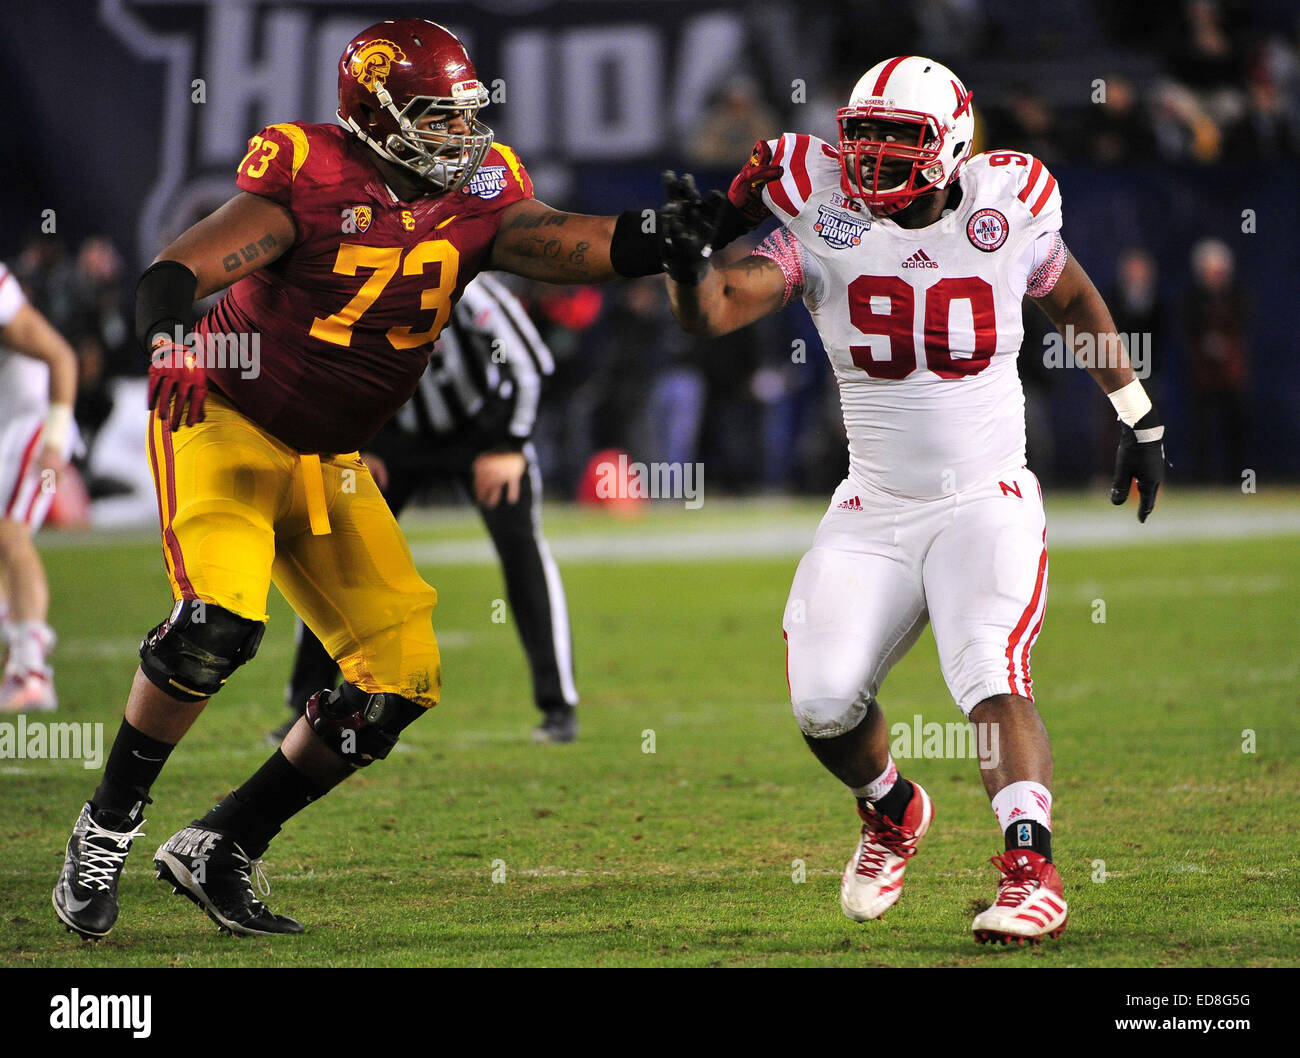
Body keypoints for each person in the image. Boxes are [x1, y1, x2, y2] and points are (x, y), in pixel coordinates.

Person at [51, 18, 744, 941]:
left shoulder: (484, 196)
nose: (460, 133)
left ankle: (223, 844)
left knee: (398, 680)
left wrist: (666, 237)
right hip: (223, 424)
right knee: (214, 628)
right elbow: (174, 269)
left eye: (464, 113)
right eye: (434, 115)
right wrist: (172, 338)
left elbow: (574, 243)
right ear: (373, 114)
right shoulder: (309, 169)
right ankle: (105, 830)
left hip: (330, 463)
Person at [661, 55, 1166, 945]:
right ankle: (891, 809)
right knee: (822, 703)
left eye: (898, 143)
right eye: (861, 140)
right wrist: (686, 262)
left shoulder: (1006, 206)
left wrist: (1138, 414)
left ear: (954, 144)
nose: (870, 163)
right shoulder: (823, 218)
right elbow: (719, 308)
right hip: (876, 505)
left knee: (988, 670)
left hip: (986, 497)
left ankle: (1030, 874)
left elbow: (1077, 301)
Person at [276, 272, 579, 745]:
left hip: (481, 434)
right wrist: (357, 442)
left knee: (523, 552)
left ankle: (558, 706)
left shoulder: (470, 288)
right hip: (394, 439)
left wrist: (510, 444)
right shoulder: (363, 289)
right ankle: (304, 704)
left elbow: (529, 362)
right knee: (331, 555)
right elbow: (331, 372)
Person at [0, 261, 78, 712]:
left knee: (11, 534)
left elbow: (61, 356)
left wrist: (54, 442)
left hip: (34, 418)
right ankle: (17, 652)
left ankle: (31, 672)